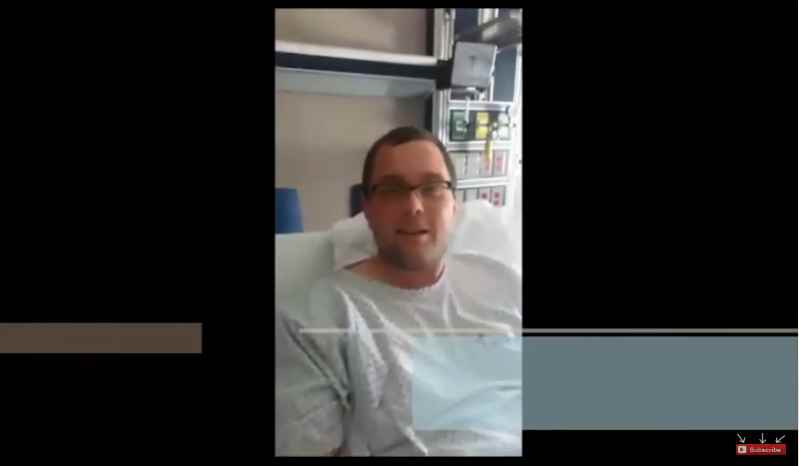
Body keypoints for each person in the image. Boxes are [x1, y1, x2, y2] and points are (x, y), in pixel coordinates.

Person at [275, 127, 522, 456]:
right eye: (392, 190)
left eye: (432, 187)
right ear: (367, 209)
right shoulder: (314, 322)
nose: (414, 206)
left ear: (453, 204)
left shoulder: (503, 282)